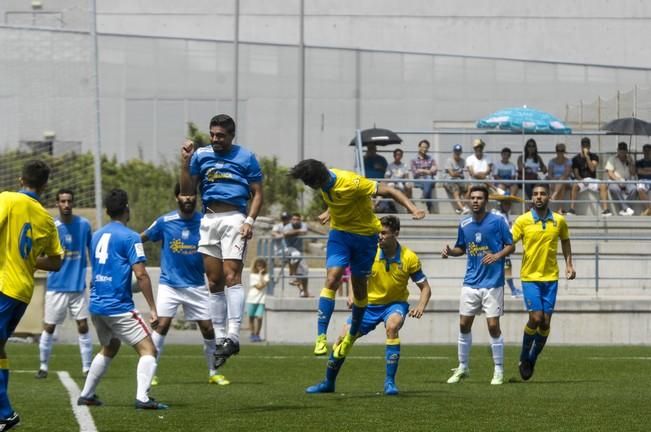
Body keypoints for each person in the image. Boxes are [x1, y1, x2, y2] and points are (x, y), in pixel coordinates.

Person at [289, 159, 425, 360]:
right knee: (333, 277)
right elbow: (337, 198)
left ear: (318, 179)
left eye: (310, 184)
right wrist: (330, 211)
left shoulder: (352, 182)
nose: (310, 187)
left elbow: (388, 190)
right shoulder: (326, 180)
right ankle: (320, 337)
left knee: (360, 288)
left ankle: (352, 335)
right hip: (340, 234)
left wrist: (413, 208)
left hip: (365, 237)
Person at [305, 216, 431, 395]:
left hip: (394, 304)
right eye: (378, 232)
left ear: (396, 233)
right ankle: (328, 382)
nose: (379, 236)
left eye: (384, 233)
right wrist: (351, 295)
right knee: (342, 339)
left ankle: (389, 383)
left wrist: (421, 305)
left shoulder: (409, 257)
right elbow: (356, 277)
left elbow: (425, 287)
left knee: (393, 326)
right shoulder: (369, 252)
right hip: (368, 305)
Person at [180, 113, 263, 367]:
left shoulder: (246, 157)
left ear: (231, 136)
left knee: (231, 276)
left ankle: (234, 336)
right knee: (214, 281)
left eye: (221, 136)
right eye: (212, 134)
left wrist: (249, 221)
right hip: (209, 219)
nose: (215, 139)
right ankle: (219, 342)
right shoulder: (201, 155)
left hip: (234, 219)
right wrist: (184, 163)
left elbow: (258, 193)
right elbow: (186, 191)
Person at [77, 189, 167, 409]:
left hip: (97, 305)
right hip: (117, 306)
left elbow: (101, 268)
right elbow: (142, 275)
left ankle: (87, 394)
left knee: (110, 346)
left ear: (107, 211)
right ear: (127, 209)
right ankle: (143, 398)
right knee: (149, 350)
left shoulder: (96, 235)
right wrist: (153, 309)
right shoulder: (131, 237)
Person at [140, 183, 229, 386]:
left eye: (191, 194)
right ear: (176, 198)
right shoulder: (165, 221)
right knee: (161, 326)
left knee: (208, 329)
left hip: (196, 285)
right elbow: (141, 237)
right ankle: (150, 372)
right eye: (183, 194)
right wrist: (126, 250)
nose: (187, 198)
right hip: (169, 285)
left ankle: (213, 372)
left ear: (196, 198)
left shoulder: (205, 222)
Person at [0, 160, 63, 430]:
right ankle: (3, 414)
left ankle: (5, 412)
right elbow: (56, 262)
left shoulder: (7, 199)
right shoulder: (46, 218)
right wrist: (26, 260)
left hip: (3, 287)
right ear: (45, 185)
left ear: (19, 179)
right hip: (22, 292)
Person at [441, 185, 514, 385]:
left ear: (486, 200)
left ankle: (498, 370)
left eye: (479, 198)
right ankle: (463, 367)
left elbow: (511, 245)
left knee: (493, 326)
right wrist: (450, 251)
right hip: (471, 282)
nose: (475, 201)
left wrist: (497, 255)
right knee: (464, 324)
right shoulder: (464, 223)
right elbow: (461, 248)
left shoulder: (498, 222)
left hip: (493, 283)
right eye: (472, 198)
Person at [511, 183, 575, 381]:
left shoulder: (559, 220)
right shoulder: (522, 221)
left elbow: (565, 240)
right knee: (536, 318)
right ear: (532, 198)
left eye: (542, 194)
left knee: (545, 324)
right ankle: (523, 356)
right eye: (535, 194)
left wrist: (569, 265)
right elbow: (508, 242)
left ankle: (532, 359)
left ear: (549, 197)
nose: (539, 197)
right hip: (530, 277)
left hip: (551, 278)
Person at [37, 189, 93, 379]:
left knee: (83, 326)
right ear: (57, 204)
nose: (66, 205)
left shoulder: (84, 225)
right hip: (56, 286)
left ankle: (87, 368)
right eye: (62, 201)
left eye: (69, 201)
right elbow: (42, 253)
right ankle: (43, 367)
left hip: (77, 287)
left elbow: (91, 251)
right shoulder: (51, 226)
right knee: (49, 327)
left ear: (73, 203)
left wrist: (96, 274)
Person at [567, 137, 612, 216]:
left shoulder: (594, 156)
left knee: (603, 186)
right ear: (581, 146)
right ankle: (572, 209)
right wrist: (581, 180)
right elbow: (576, 173)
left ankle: (605, 209)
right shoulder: (575, 159)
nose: (585, 147)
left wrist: (587, 157)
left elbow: (592, 169)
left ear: (589, 146)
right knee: (574, 186)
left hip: (592, 180)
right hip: (581, 179)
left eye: (587, 145)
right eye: (584, 145)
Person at [491, 198, 522, 297]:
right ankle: (512, 290)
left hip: (504, 245)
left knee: (506, 267)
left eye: (509, 203)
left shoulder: (505, 215)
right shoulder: (498, 215)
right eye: (506, 203)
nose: (508, 206)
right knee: (505, 267)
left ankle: (512, 289)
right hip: (500, 246)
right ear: (501, 204)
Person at [605, 142, 637, 216]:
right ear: (618, 150)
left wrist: (630, 163)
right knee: (615, 189)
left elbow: (633, 173)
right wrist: (618, 180)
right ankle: (626, 208)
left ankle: (625, 209)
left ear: (626, 151)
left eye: (624, 150)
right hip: (614, 180)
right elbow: (610, 173)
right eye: (620, 150)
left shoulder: (630, 159)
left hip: (627, 181)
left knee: (634, 189)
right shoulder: (612, 159)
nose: (622, 152)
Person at [283, 213, 310, 297]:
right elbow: (286, 234)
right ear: (291, 220)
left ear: (300, 220)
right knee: (295, 255)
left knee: (304, 271)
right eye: (294, 219)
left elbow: (304, 232)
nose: (296, 221)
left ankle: (304, 291)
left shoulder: (303, 225)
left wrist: (295, 232)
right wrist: (298, 231)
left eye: (298, 219)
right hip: (288, 249)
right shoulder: (287, 226)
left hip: (299, 251)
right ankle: (292, 277)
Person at [410, 139, 438, 212]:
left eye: (426, 147)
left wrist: (421, 170)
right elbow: (415, 173)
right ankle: (429, 205)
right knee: (428, 179)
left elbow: (434, 171)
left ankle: (424, 196)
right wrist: (427, 171)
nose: (424, 149)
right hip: (418, 181)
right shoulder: (414, 159)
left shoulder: (431, 159)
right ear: (419, 147)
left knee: (428, 179)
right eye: (423, 147)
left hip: (429, 180)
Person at [246, 258, 269, 342]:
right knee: (251, 317)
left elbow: (264, 285)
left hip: (261, 300)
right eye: (258, 266)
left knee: (259, 317)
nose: (260, 267)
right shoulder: (252, 276)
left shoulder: (266, 275)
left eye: (262, 266)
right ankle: (252, 334)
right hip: (252, 299)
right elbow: (259, 287)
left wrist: (260, 275)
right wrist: (260, 276)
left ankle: (257, 334)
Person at [546, 143, 573, 213]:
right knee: (562, 187)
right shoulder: (552, 161)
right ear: (556, 151)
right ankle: (560, 209)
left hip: (566, 179)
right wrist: (553, 180)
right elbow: (549, 174)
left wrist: (558, 180)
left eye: (562, 150)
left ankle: (554, 194)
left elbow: (567, 173)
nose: (560, 152)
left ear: (564, 151)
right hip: (556, 181)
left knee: (563, 178)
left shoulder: (568, 161)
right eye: (558, 150)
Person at [636, 143, 651, 216]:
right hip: (643, 180)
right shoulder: (639, 162)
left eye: (648, 150)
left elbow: (642, 171)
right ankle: (649, 208)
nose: (647, 152)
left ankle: (648, 210)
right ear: (643, 151)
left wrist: (644, 170)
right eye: (645, 150)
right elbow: (639, 171)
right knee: (640, 188)